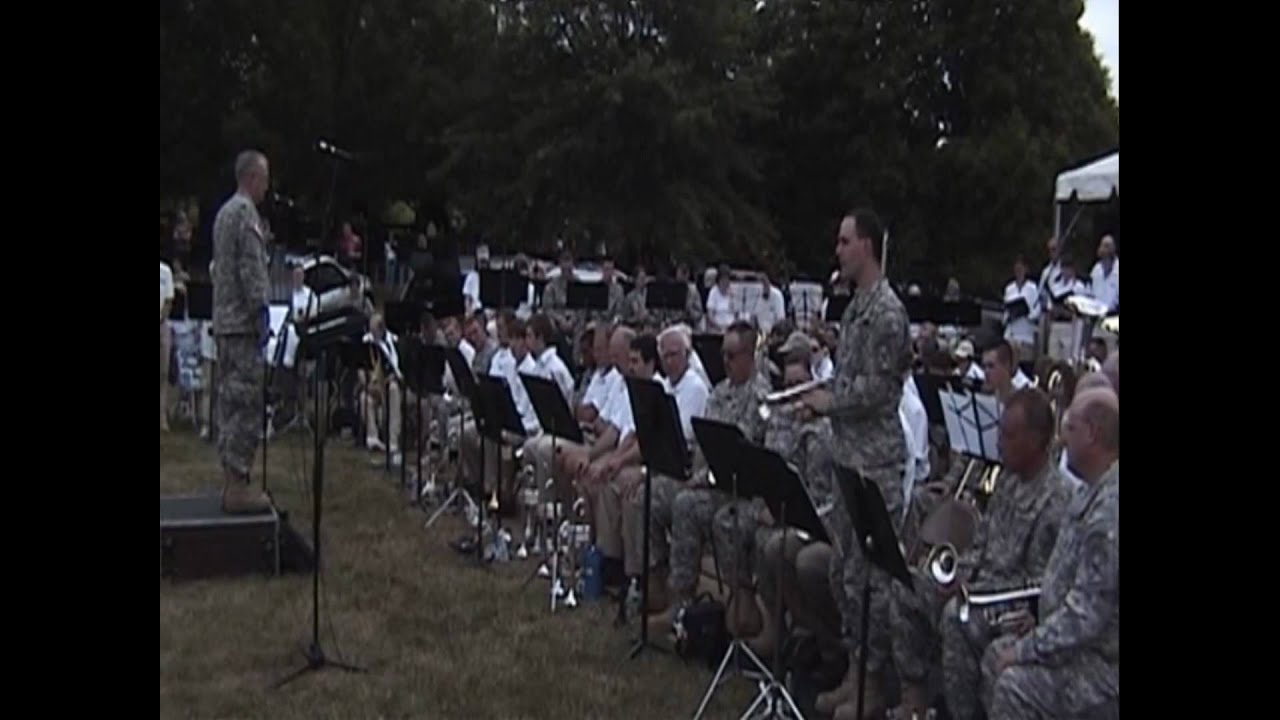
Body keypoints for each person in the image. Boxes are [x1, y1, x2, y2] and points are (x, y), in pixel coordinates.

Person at [796, 208, 911, 720]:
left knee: (871, 582)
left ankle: (876, 683)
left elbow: (882, 391)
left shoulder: (887, 313)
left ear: (866, 245)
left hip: (874, 462)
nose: (837, 250)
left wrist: (829, 401)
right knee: (845, 572)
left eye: (845, 242)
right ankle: (855, 672)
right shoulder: (855, 308)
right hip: (848, 454)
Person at [927, 388, 1075, 720]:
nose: (998, 442)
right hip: (983, 588)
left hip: (1013, 607)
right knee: (911, 588)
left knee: (955, 616)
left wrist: (970, 594)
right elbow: (980, 544)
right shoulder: (1008, 479)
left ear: (1036, 441)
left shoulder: (1057, 500)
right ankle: (914, 695)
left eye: (1008, 435)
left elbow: (1038, 586)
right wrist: (960, 576)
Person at [984, 388, 1119, 719]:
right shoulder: (1091, 489)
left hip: (1101, 663)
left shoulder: (1109, 511)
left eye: (1070, 428)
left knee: (1014, 684)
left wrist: (1027, 649)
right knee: (994, 655)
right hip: (1075, 643)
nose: (1060, 439)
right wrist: (1039, 621)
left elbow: (1086, 616)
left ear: (1093, 434)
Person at [211, 150, 273, 513]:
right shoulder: (245, 214)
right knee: (246, 404)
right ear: (253, 178)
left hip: (224, 323)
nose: (267, 188)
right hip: (243, 326)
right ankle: (238, 484)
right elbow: (251, 271)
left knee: (229, 402)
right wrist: (262, 315)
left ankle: (231, 479)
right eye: (264, 179)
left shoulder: (222, 214)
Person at [161, 257, 176, 432]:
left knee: (163, 373)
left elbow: (169, 299)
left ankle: (162, 416)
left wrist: (161, 316)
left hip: (162, 325)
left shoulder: (165, 271)